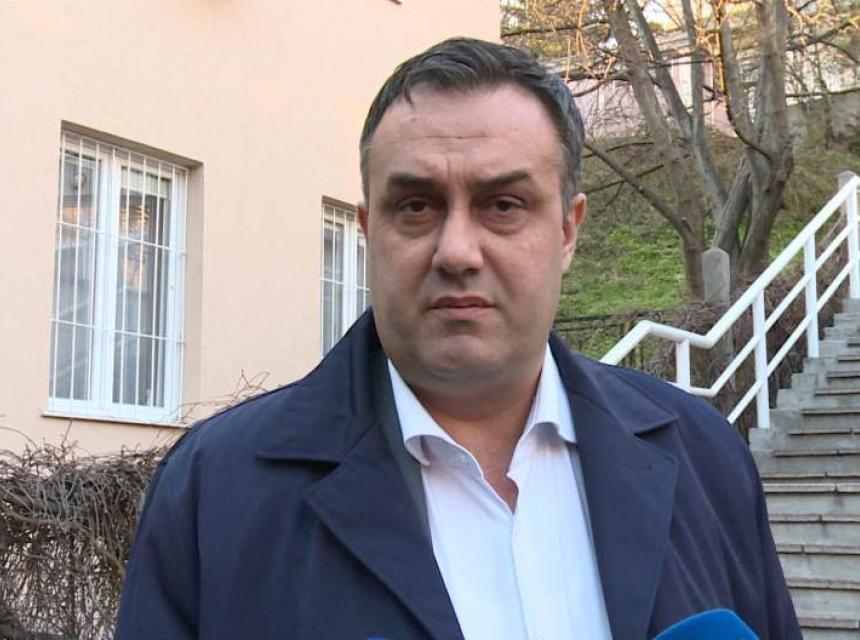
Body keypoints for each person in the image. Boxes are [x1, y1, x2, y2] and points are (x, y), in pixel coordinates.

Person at [115, 38, 801, 639]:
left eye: (503, 205)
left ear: (568, 230)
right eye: (416, 206)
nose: (457, 251)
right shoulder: (217, 492)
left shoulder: (703, 459)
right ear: (369, 230)